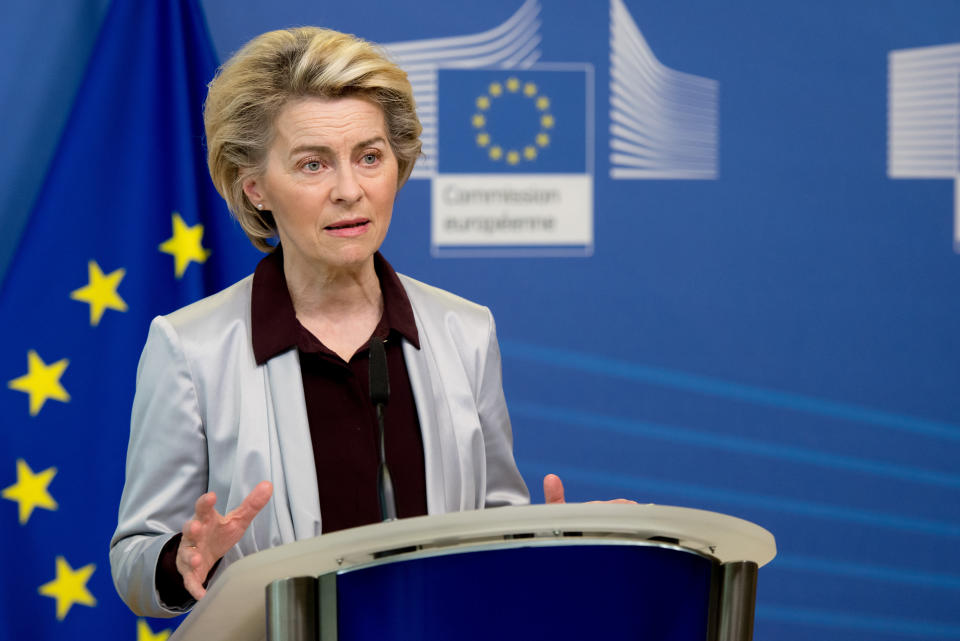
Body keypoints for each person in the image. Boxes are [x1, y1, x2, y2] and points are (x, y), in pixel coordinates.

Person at [109, 26, 558, 618]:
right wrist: (182, 560)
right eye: (313, 164)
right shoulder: (191, 349)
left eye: (369, 158)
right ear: (256, 188)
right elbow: (135, 564)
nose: (350, 190)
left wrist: (569, 540)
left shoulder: (465, 332)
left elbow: (497, 530)